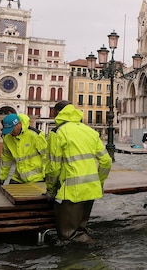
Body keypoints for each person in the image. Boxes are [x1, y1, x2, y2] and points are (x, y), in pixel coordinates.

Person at [45, 101, 112, 243]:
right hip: (90, 190)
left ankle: (89, 255)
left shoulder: (57, 133)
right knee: (80, 230)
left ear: (57, 113)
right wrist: (98, 182)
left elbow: (53, 167)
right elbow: (106, 161)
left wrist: (50, 190)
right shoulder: (90, 131)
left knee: (68, 235)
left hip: (70, 192)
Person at [0, 113, 47, 189]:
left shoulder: (35, 135)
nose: (11, 132)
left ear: (19, 124)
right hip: (19, 177)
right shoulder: (7, 138)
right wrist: (2, 178)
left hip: (37, 177)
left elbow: (46, 156)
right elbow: (6, 160)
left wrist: (46, 176)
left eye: (12, 129)